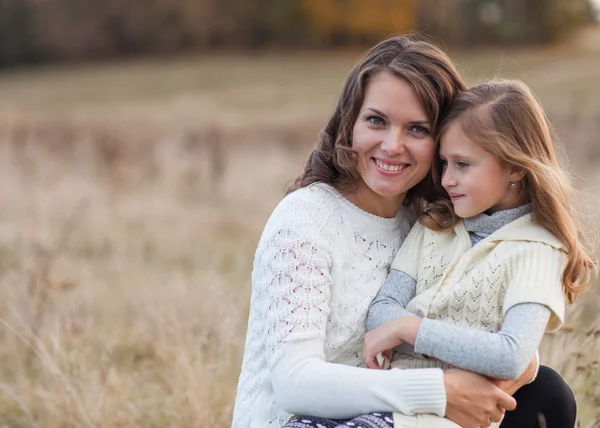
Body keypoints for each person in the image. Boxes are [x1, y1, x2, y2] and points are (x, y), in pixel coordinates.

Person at [231, 36, 578, 428]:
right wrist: (439, 390)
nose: (392, 145)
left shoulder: (426, 221)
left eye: (417, 129)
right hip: (304, 419)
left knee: (546, 392)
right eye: (376, 120)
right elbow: (294, 384)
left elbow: (494, 334)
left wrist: (516, 360)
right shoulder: (306, 220)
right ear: (350, 122)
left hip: (405, 415)